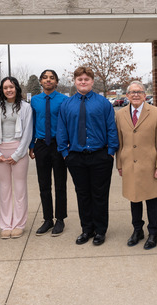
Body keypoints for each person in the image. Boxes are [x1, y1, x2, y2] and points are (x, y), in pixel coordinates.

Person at [57, 66, 118, 246]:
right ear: (75, 82)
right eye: (79, 79)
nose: (83, 82)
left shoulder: (103, 103)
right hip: (76, 157)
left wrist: (110, 152)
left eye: (86, 79)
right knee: (82, 194)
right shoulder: (67, 105)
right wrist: (65, 154)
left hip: (100, 156)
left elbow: (111, 129)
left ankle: (100, 230)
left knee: (100, 195)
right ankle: (86, 229)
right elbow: (61, 130)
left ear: (92, 82)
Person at [115, 81, 157, 250]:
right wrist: (120, 163)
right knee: (134, 199)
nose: (136, 94)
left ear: (145, 95)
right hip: (129, 163)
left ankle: (153, 232)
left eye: (139, 92)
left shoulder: (156, 113)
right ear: (127, 96)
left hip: (149, 165)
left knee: (151, 199)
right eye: (132, 92)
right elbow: (120, 142)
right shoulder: (120, 114)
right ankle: (137, 230)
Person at [0, 77, 33, 239]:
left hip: (18, 152)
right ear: (2, 90)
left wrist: (17, 154)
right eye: (5, 87)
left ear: (16, 88)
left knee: (20, 188)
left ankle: (19, 224)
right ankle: (6, 224)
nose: (9, 90)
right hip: (1, 152)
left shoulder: (25, 107)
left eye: (11, 87)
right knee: (4, 189)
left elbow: (28, 132)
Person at [28, 70, 68, 237]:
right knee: (44, 184)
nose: (48, 80)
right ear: (41, 81)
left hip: (58, 145)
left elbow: (67, 122)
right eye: (45, 78)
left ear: (56, 82)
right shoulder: (34, 101)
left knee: (60, 184)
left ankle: (60, 219)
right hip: (41, 145)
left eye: (52, 78)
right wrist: (31, 145)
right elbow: (31, 123)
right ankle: (47, 219)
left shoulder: (64, 100)